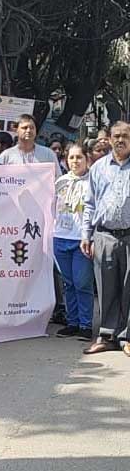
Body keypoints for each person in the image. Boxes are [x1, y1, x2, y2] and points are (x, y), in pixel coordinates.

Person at [81, 121, 130, 355]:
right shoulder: (99, 168)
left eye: (125, 136)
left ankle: (127, 337)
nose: (120, 140)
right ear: (109, 139)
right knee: (106, 287)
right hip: (104, 235)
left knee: (129, 287)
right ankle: (107, 335)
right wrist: (86, 235)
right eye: (116, 136)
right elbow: (89, 204)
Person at [53, 142, 94, 339]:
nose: (75, 161)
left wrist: (90, 236)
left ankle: (86, 325)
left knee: (82, 283)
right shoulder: (60, 181)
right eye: (71, 157)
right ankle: (72, 322)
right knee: (68, 283)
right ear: (66, 160)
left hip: (81, 239)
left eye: (79, 157)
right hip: (60, 237)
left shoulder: (93, 181)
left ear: (87, 159)